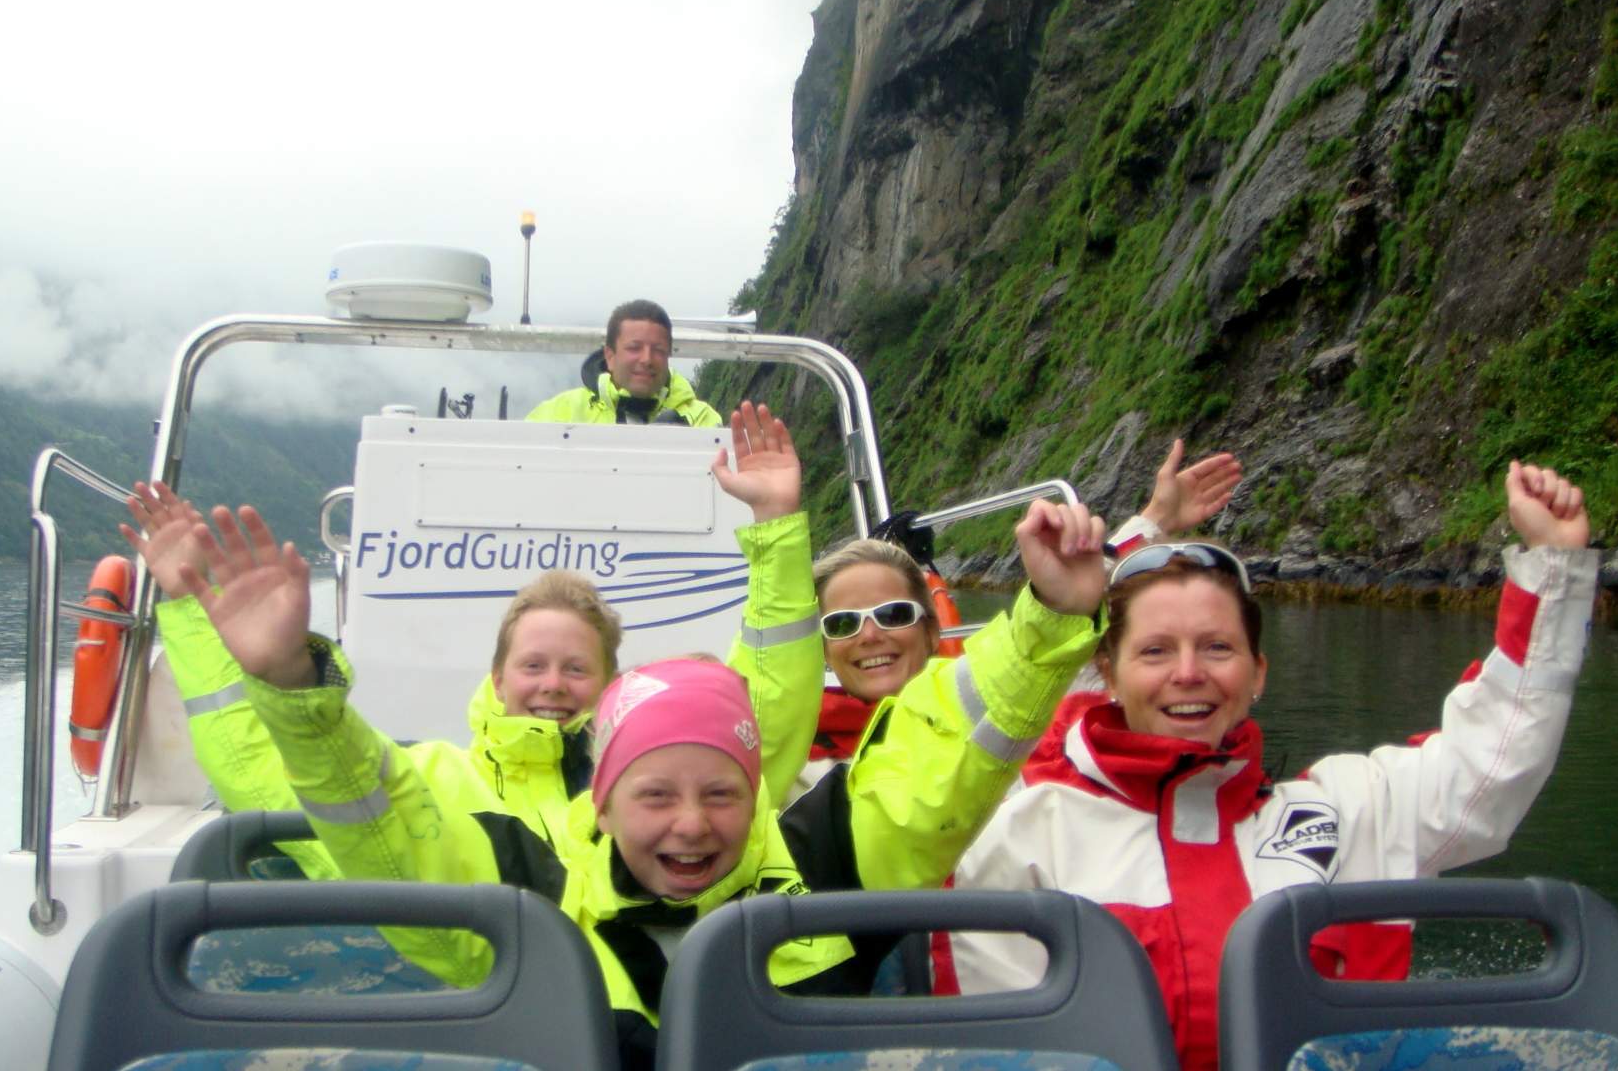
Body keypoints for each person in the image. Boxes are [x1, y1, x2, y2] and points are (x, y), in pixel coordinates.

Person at [182, 455, 1111, 1068]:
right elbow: (384, 821)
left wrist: (1050, 619)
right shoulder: (527, 895)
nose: (692, 823)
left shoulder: (828, 863)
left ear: (757, 793)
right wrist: (290, 682)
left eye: (720, 792)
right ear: (605, 795)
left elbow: (945, 750)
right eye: (656, 793)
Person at [939, 460, 1598, 1071]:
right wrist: (1101, 568)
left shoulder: (1349, 810)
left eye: (1217, 646)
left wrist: (1553, 563)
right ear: (1108, 675)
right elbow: (999, 1046)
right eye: (1157, 651)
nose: (1189, 673)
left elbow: (1492, 761)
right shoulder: (1027, 833)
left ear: (1257, 675)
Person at [119, 412, 818, 866]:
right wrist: (215, 625)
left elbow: (770, 704)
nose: (552, 683)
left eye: (577, 667)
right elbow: (265, 783)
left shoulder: (671, 777)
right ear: (496, 680)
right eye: (534, 664)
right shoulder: (434, 778)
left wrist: (776, 528)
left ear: (611, 687)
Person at [798, 438, 1243, 795]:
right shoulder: (796, 758)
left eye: (894, 614)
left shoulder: (993, 701)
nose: (870, 634)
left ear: (932, 629)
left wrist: (1153, 520)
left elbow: (1048, 640)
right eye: (843, 624)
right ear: (823, 648)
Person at [526, 299, 722, 426]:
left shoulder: (702, 420)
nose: (646, 359)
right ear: (610, 356)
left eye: (658, 350)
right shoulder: (560, 412)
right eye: (634, 348)